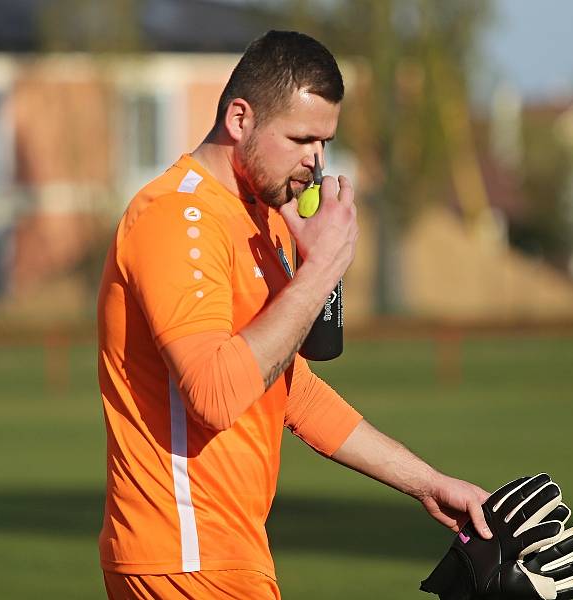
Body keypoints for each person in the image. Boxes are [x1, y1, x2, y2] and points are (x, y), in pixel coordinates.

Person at [97, 30, 496, 600]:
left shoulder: (260, 218)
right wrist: (320, 272)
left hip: (227, 555)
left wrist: (427, 483)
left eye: (326, 141)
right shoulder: (176, 217)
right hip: (184, 554)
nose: (316, 161)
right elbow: (214, 394)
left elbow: (291, 392)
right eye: (302, 138)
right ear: (240, 118)